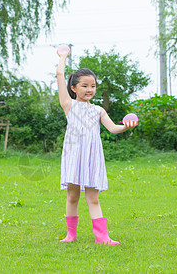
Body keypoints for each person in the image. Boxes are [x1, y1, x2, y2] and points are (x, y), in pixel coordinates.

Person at [56, 46, 137, 245]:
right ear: (73, 88)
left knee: (93, 198)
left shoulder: (98, 110)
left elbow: (112, 129)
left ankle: (102, 238)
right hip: (74, 155)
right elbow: (59, 73)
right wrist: (63, 57)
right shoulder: (69, 104)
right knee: (72, 197)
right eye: (84, 86)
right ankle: (70, 235)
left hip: (92, 157)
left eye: (93, 86)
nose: (90, 89)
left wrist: (126, 127)